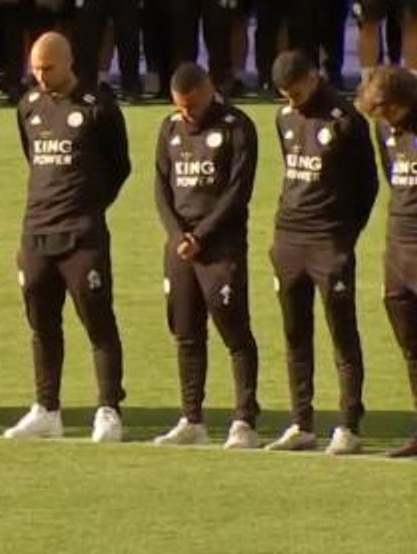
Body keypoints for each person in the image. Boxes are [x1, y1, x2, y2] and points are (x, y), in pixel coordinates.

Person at [5, 32, 130, 443]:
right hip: (36, 233)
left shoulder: (99, 109)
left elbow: (119, 167)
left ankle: (109, 408)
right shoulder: (28, 107)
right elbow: (33, 159)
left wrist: (88, 205)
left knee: (97, 322)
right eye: (35, 69)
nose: (41, 76)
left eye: (49, 69)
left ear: (69, 62)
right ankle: (46, 408)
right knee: (42, 324)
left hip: (82, 235)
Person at [264, 50, 378, 454]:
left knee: (342, 332)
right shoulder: (284, 118)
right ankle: (302, 422)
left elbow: (368, 186)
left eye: (296, 92)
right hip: (289, 239)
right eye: (285, 95)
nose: (292, 102)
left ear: (313, 77)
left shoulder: (347, 121)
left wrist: (345, 236)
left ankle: (348, 424)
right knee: (295, 333)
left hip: (330, 242)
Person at [152, 62, 261, 448]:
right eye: (181, 107)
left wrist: (201, 235)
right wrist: (177, 234)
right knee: (185, 333)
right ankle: (191, 418)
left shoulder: (237, 126)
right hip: (180, 249)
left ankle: (244, 419)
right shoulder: (169, 127)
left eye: (193, 107)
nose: (187, 114)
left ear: (208, 89)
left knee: (234, 331)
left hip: (221, 248)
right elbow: (161, 188)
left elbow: (237, 192)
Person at [354, 65, 417, 458]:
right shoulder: (383, 129)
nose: (381, 122)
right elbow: (392, 180)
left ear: (401, 103)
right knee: (411, 344)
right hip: (398, 248)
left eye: (383, 112)